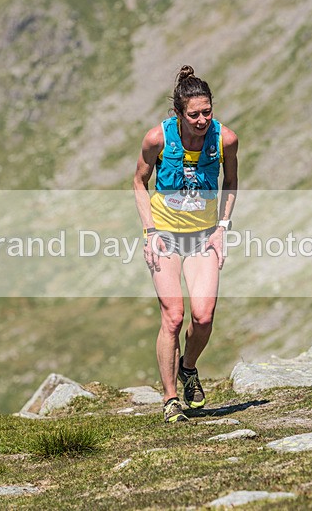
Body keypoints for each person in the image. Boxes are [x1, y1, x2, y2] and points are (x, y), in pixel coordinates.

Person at [133, 65, 239, 423]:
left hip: (203, 236)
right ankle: (170, 400)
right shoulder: (157, 140)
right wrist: (149, 232)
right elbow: (138, 183)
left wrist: (222, 227)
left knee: (204, 317)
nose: (201, 120)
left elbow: (231, 182)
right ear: (178, 113)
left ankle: (188, 368)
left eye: (207, 112)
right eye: (193, 114)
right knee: (174, 317)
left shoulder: (225, 140)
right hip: (164, 235)